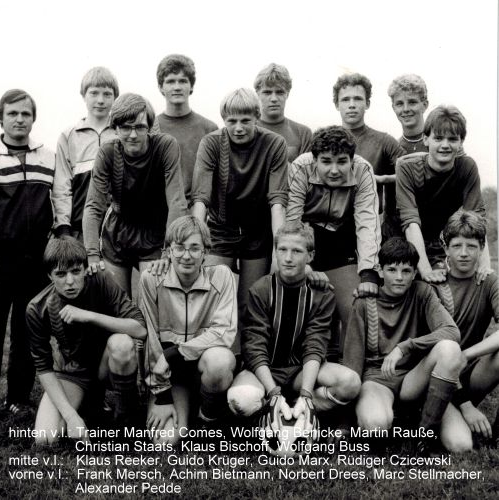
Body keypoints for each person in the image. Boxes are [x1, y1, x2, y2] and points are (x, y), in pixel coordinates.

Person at [227, 221, 360, 422]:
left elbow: (315, 345)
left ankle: (301, 408)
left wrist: (306, 393)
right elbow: (254, 347)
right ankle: (274, 408)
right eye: (282, 250)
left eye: (297, 251)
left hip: (301, 372)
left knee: (350, 383)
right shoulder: (260, 290)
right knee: (241, 399)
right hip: (266, 370)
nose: (288, 258)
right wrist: (273, 391)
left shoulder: (322, 293)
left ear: (310, 256)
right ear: (275, 252)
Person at [343, 237, 462, 449]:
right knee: (375, 425)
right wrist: (344, 423)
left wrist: (404, 347)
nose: (399, 277)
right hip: (377, 380)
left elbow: (451, 331)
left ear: (415, 273)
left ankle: (424, 435)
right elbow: (352, 363)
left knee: (461, 444)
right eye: (392, 270)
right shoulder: (364, 302)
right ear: (380, 271)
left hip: (413, 379)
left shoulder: (422, 292)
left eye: (406, 271)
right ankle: (401, 417)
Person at [191, 88, 288, 348]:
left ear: (257, 116)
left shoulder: (274, 144)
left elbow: (278, 201)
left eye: (245, 120)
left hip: (258, 232)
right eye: (231, 121)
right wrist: (196, 242)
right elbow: (201, 198)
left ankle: (247, 359)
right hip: (220, 229)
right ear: (224, 120)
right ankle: (210, 358)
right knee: (210, 296)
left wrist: (279, 251)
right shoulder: (211, 143)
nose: (238, 128)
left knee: (250, 302)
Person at [27, 237, 146, 443]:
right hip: (74, 373)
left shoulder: (100, 279)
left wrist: (88, 316)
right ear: (49, 276)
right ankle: (88, 406)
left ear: (85, 269)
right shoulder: (37, 308)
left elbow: (140, 329)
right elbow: (43, 368)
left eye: (76, 271)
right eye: (60, 274)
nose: (70, 281)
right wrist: (70, 416)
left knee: (122, 344)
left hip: (107, 365)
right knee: (45, 438)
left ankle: (127, 413)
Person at [138, 216, 236, 445]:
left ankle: (207, 417)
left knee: (220, 362)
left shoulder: (222, 276)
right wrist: (162, 396)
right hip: (171, 376)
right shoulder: (151, 279)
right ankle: (181, 407)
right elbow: (149, 337)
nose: (187, 255)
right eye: (179, 247)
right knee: (165, 441)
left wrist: (175, 353)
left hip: (202, 367)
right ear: (168, 251)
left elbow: (224, 331)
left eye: (194, 248)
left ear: (206, 251)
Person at [83, 93, 187, 295]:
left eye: (140, 127)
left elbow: (177, 201)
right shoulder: (108, 152)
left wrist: (168, 250)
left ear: (149, 127)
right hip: (118, 232)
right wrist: (92, 253)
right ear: (115, 128)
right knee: (118, 302)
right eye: (125, 127)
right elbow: (94, 205)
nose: (133, 135)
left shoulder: (165, 146)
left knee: (153, 299)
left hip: (154, 232)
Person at [286, 126, 381, 346]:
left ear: (352, 160)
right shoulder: (301, 166)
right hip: (306, 237)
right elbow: (292, 221)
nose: (334, 170)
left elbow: (367, 222)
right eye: (326, 161)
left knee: (354, 308)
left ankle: (348, 364)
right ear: (315, 159)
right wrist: (303, 264)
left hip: (341, 236)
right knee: (301, 308)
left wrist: (368, 271)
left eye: (342, 161)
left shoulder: (363, 169)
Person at [0, 89, 55, 414]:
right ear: (0, 118)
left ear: (33, 118)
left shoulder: (48, 157)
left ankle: (18, 398)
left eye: (26, 114)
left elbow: (59, 202)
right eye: (13, 113)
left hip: (35, 259)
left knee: (26, 330)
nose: (20, 119)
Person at [396, 105, 490, 284]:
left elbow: (476, 220)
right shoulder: (406, 167)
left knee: (447, 287)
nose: (445, 145)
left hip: (437, 243)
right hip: (400, 239)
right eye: (438, 138)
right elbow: (410, 222)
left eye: (452, 139)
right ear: (426, 139)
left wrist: (484, 266)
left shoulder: (467, 167)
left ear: (461, 142)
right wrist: (425, 270)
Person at [432, 211, 499, 452]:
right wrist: (467, 406)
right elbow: (430, 355)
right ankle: (437, 414)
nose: (463, 253)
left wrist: (466, 355)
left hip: (469, 373)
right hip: (437, 378)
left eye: (471, 246)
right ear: (446, 248)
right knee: (460, 444)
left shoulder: (489, 282)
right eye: (456, 246)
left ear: (481, 248)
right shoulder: (433, 284)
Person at [333, 73, 404, 238]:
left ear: (367, 103)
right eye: (345, 99)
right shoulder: (325, 140)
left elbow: (412, 172)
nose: (352, 105)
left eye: (358, 99)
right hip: (333, 227)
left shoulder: (384, 141)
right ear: (337, 104)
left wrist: (383, 179)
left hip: (372, 228)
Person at [52, 67, 119, 239]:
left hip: (119, 229)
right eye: (94, 93)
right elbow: (62, 186)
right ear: (83, 95)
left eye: (107, 94)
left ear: (115, 97)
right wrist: (63, 226)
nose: (100, 100)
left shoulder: (123, 134)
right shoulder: (69, 136)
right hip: (80, 229)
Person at [151, 55, 218, 202]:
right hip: (161, 208)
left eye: (183, 81)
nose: (177, 87)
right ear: (161, 87)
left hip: (200, 209)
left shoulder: (209, 129)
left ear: (191, 86)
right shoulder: (151, 128)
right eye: (170, 81)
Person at [254, 63, 312, 162]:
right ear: (258, 94)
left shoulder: (303, 133)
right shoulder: (247, 130)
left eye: (279, 92)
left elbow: (306, 170)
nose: (274, 99)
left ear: (287, 94)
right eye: (267, 92)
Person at [387, 74, 429, 154]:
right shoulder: (392, 150)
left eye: (412, 102)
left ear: (424, 105)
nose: (405, 109)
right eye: (399, 104)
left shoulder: (439, 146)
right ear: (394, 108)